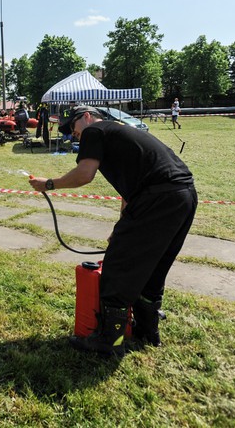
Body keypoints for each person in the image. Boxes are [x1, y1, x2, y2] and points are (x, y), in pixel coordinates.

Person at [29, 106, 197, 358]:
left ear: (86, 116)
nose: (74, 135)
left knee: (117, 265)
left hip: (158, 198)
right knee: (153, 267)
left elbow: (85, 174)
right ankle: (147, 331)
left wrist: (49, 184)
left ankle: (110, 340)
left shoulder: (95, 130)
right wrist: (121, 227)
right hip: (183, 195)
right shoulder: (120, 132)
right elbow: (130, 189)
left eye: (73, 129)